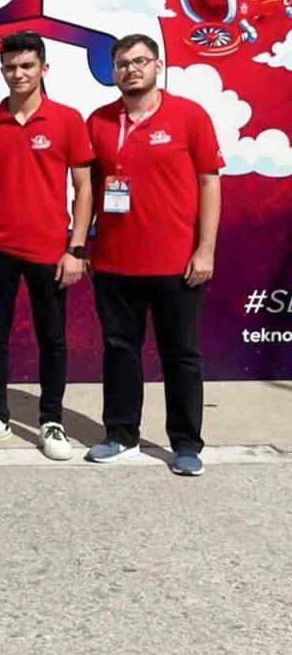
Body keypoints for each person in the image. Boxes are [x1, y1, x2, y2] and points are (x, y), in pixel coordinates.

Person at [85, 34, 221, 477]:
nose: (131, 69)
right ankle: (121, 434)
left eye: (140, 61)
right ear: (114, 71)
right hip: (114, 262)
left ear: (157, 66)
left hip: (176, 264)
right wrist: (80, 245)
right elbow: (88, 188)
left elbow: (209, 182)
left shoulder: (189, 116)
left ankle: (185, 444)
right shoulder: (98, 121)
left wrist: (205, 249)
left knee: (181, 355)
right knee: (119, 351)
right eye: (122, 63)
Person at [0, 32, 94, 461]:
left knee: (52, 339)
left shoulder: (68, 120)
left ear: (43, 69)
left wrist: (76, 248)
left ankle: (51, 421)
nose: (18, 74)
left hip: (50, 250)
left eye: (26, 66)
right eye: (10, 67)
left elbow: (84, 187)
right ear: (1, 70)